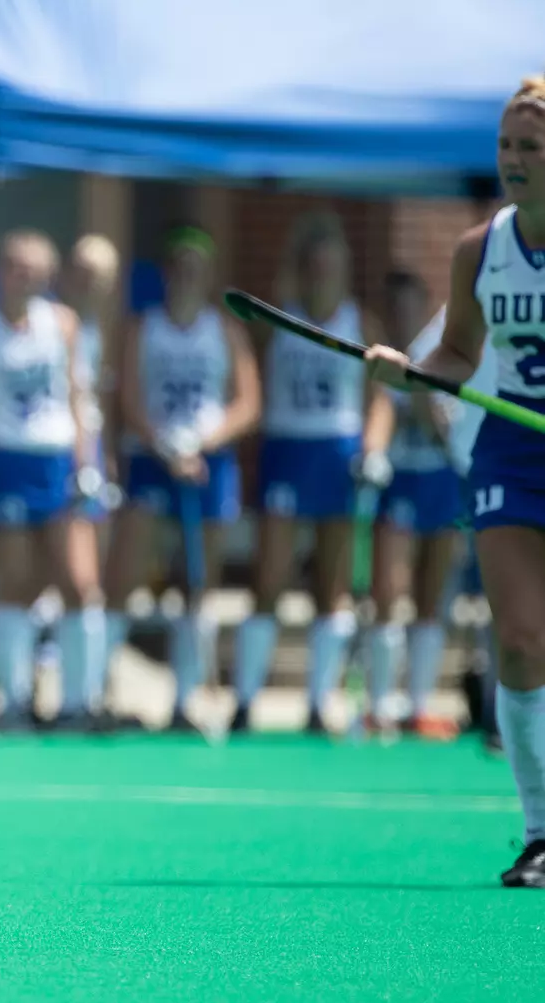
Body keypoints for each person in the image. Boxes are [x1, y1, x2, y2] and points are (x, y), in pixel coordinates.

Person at [365, 76, 545, 887]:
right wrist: (411, 373)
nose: (514, 161)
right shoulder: (480, 248)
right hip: (512, 446)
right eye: (507, 147)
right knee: (520, 636)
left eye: (531, 148)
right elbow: (460, 356)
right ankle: (541, 831)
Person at [231, 211, 395, 735]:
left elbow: (380, 401)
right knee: (270, 577)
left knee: (334, 584)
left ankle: (321, 701)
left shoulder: (360, 323)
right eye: (315, 266)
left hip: (338, 455)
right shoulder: (282, 319)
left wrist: (372, 449)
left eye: (332, 266)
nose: (323, 275)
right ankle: (244, 699)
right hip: (287, 450)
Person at [104, 227, 259, 732]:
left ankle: (184, 698)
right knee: (125, 573)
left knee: (197, 580)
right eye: (179, 265)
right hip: (153, 458)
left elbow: (247, 403)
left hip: (207, 463)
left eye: (197, 266)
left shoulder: (225, 330)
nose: (187, 275)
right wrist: (166, 445)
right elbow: (128, 397)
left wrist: (202, 444)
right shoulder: (143, 326)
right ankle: (101, 693)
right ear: (167, 271)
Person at [0, 230, 98, 729]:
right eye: (18, 268)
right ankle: (14, 701)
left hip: (57, 457)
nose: (28, 279)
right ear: (0, 271)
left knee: (78, 582)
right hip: (7, 458)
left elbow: (76, 395)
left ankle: (78, 702)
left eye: (37, 270)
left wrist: (87, 462)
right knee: (14, 582)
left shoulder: (62, 323)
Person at [363, 272, 465, 738]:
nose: (403, 314)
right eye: (395, 305)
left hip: (442, 477)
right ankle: (381, 702)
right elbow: (380, 409)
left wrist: (423, 392)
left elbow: (447, 429)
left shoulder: (445, 353)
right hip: (400, 479)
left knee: (432, 594)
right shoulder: (383, 357)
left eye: (410, 305)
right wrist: (373, 453)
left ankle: (419, 703)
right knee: (389, 588)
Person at [60, 234, 122, 714]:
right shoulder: (57, 323)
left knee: (91, 582)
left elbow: (104, 404)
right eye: (83, 272)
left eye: (99, 275)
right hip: (59, 458)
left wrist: (104, 460)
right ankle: (65, 695)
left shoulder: (108, 330)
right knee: (69, 579)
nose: (90, 283)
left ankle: (89, 692)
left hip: (96, 459)